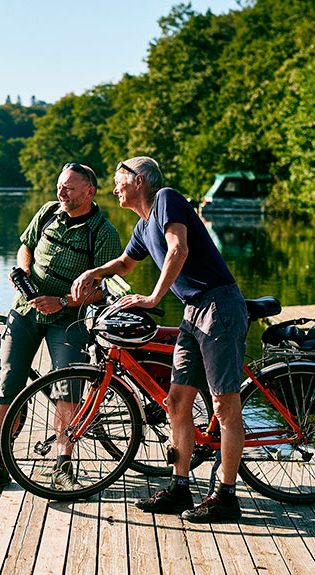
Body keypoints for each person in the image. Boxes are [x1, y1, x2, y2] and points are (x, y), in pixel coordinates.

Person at [71, 156, 248, 522]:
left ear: (139, 181)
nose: (114, 189)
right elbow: (125, 264)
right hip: (194, 311)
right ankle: (180, 487)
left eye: (119, 181)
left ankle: (226, 497)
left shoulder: (166, 198)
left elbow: (178, 249)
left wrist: (153, 298)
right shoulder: (142, 225)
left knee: (224, 406)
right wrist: (94, 272)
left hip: (218, 305)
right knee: (177, 403)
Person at [0, 162, 122, 493]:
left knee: (68, 387)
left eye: (69, 188)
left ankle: (63, 465)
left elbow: (102, 290)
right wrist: (23, 271)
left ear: (89, 192)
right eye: (59, 186)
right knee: (9, 382)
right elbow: (26, 245)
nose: (61, 192)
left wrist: (63, 301)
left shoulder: (104, 233)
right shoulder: (49, 212)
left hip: (68, 318)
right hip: (24, 310)